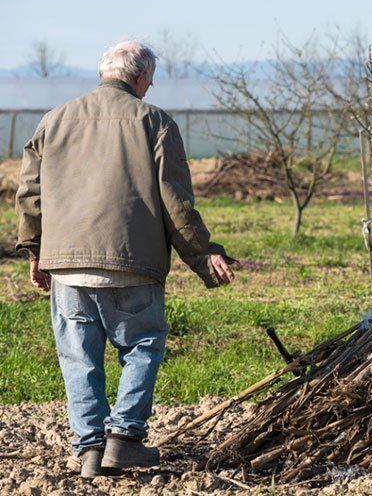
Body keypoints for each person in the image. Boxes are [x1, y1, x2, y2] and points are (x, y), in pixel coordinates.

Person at [15, 40, 236, 479]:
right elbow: (176, 201)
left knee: (79, 359)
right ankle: (125, 438)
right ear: (139, 77)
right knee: (143, 345)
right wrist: (203, 254)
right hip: (132, 262)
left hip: (68, 267)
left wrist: (36, 252)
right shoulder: (154, 121)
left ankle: (90, 451)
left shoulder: (54, 120)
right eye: (151, 79)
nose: (151, 86)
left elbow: (30, 195)